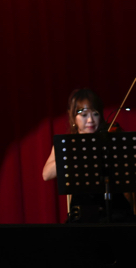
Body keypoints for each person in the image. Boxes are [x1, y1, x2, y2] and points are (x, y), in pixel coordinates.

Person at [42, 88, 134, 222]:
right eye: (84, 115)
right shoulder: (67, 144)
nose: (90, 120)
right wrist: (74, 150)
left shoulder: (111, 136)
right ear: (73, 117)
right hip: (84, 210)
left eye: (95, 114)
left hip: (116, 209)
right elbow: (46, 174)